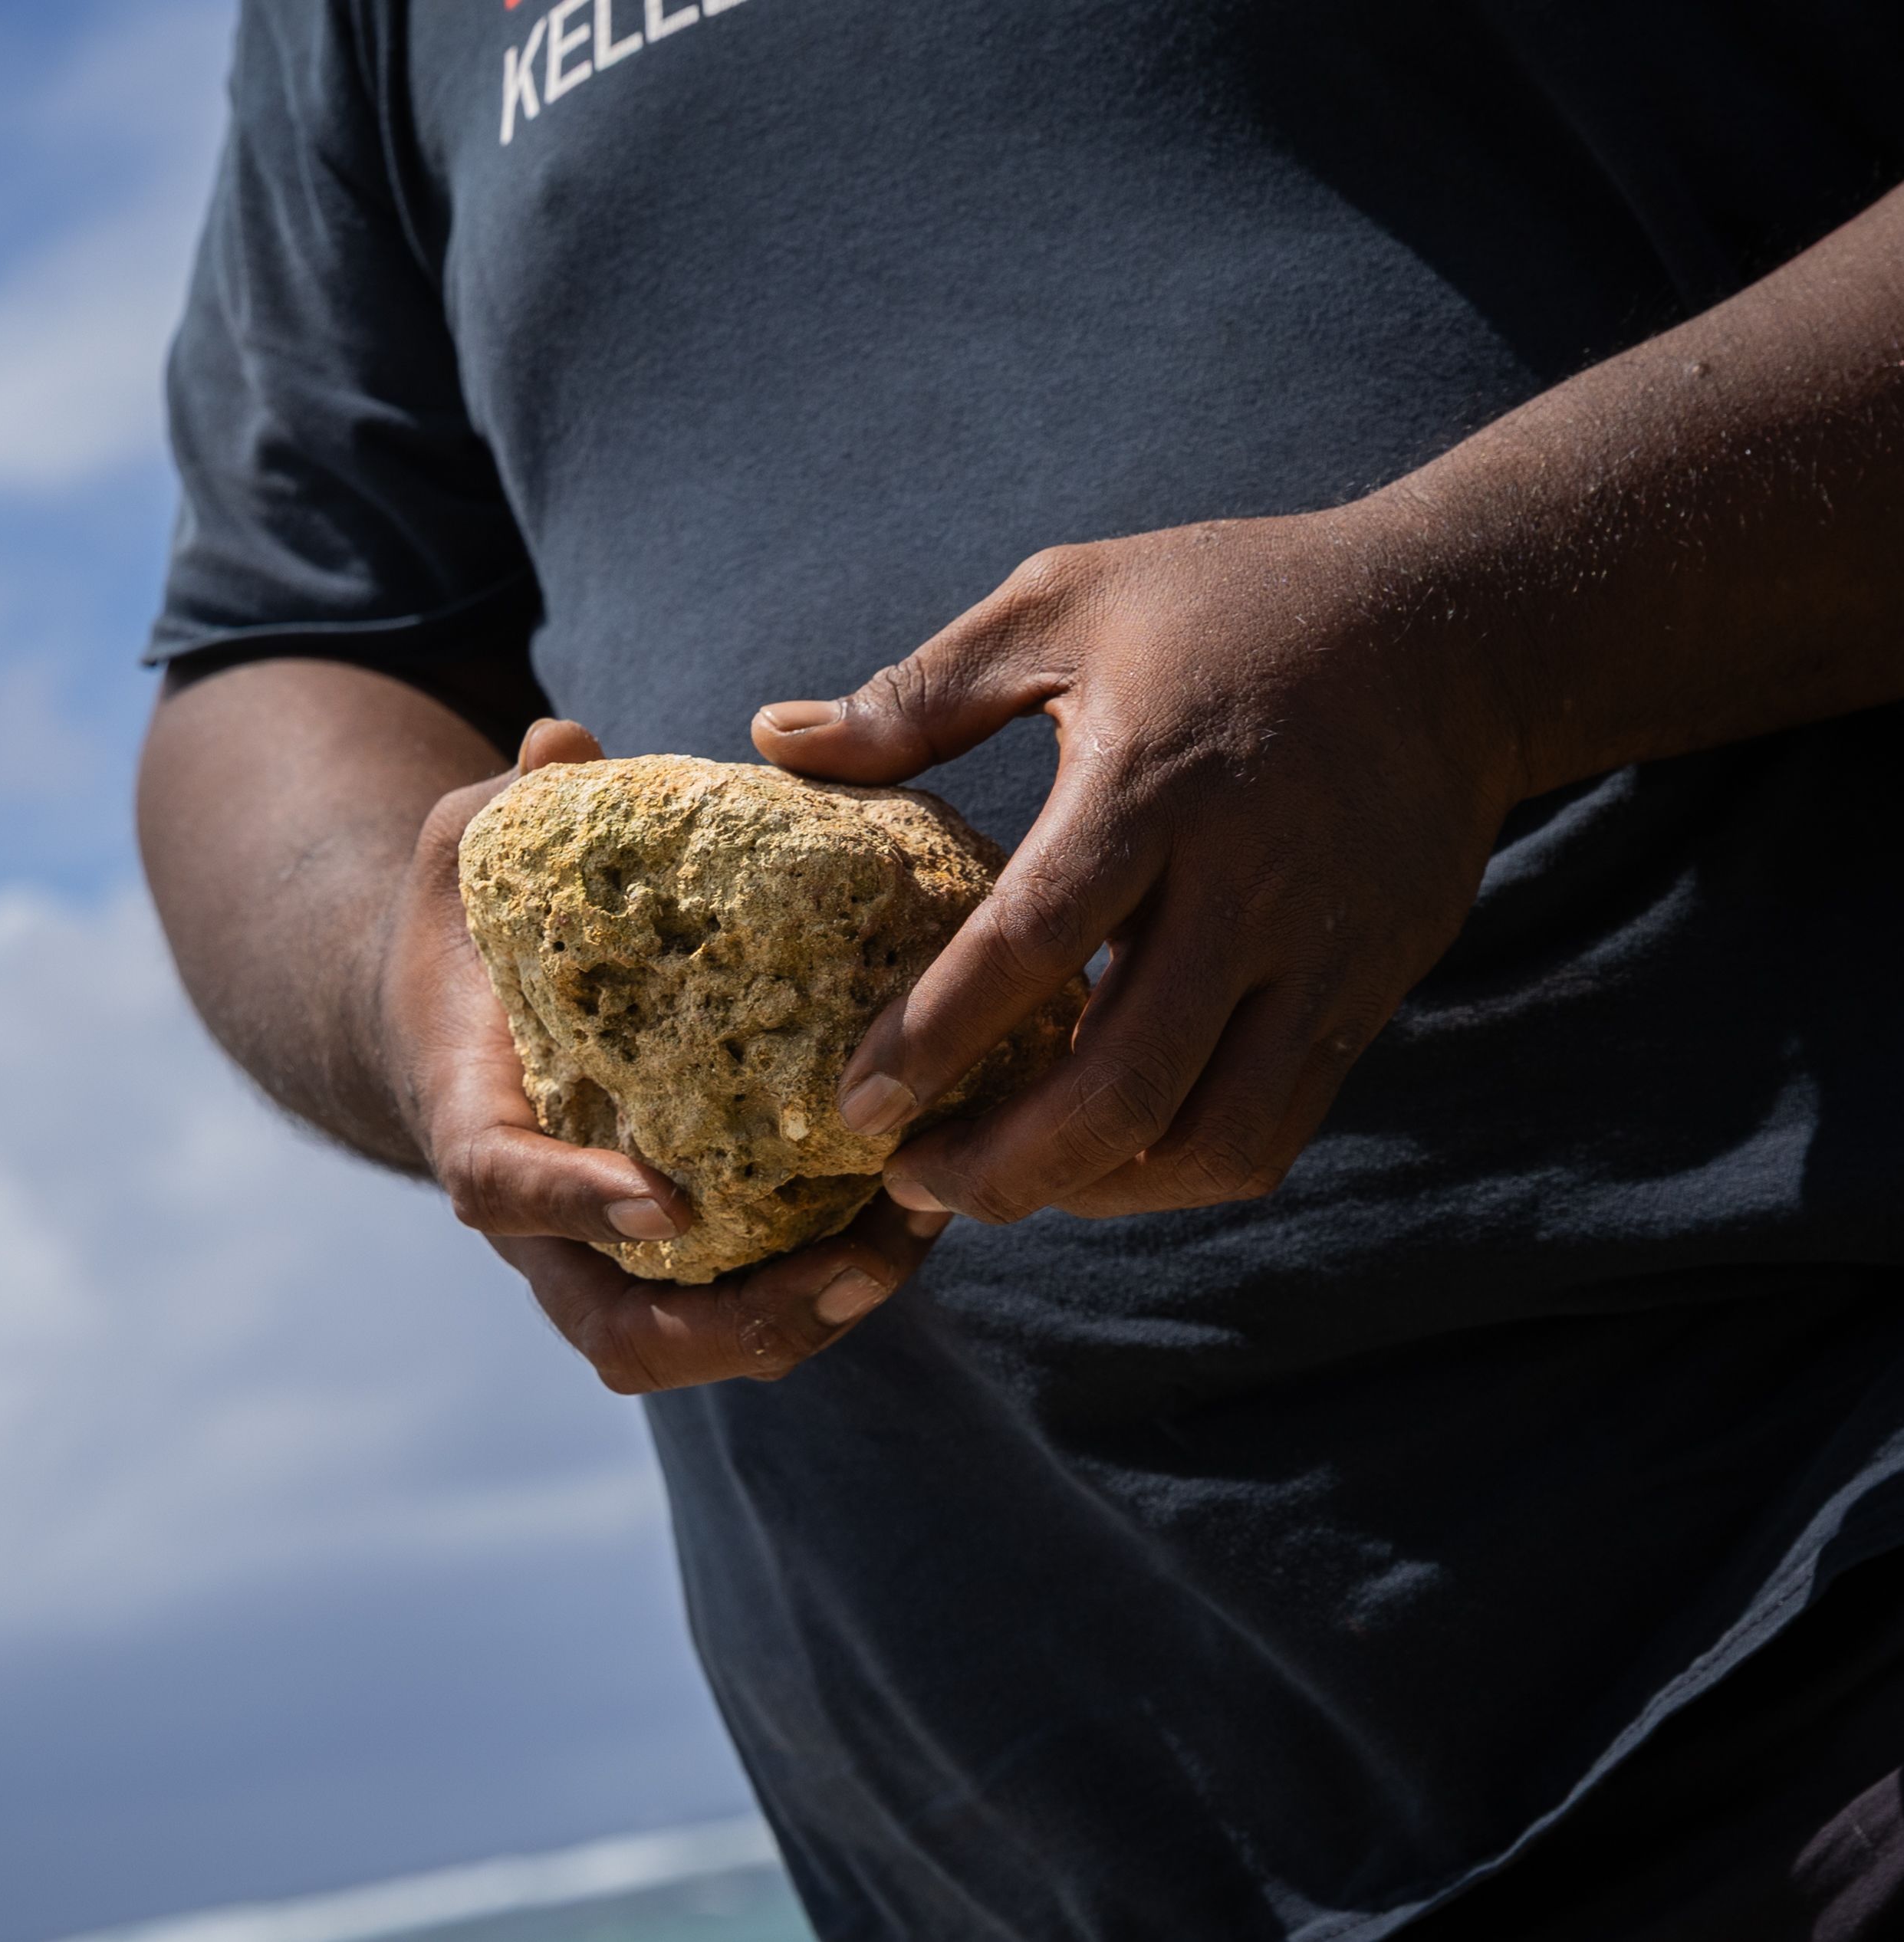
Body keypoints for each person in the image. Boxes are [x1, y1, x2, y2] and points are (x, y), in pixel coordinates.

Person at [133, 2, 1904, 1934]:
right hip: (1000, 1812)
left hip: (1818, 1576)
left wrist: (1476, 640)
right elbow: (287, 646)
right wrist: (399, 997)